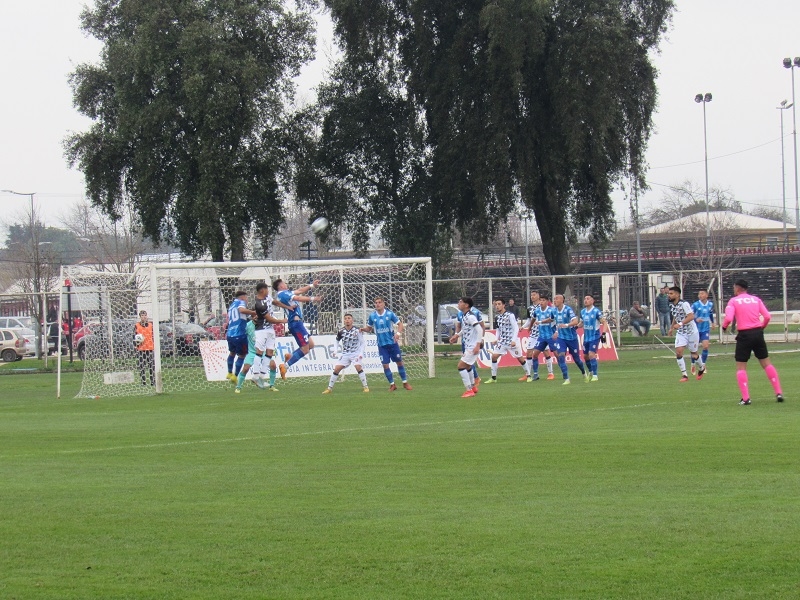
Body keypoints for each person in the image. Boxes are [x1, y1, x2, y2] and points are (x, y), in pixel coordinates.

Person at [721, 279, 783, 405]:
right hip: (757, 333)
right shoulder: (756, 299)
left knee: (741, 367)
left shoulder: (733, 301)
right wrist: (762, 327)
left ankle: (746, 398)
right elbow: (767, 316)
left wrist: (724, 326)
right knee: (766, 363)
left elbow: (728, 317)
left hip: (744, 335)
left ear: (737, 289)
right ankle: (778, 392)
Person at [273, 278, 323, 378]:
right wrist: (313, 299)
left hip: (297, 323)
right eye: (284, 283)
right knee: (305, 349)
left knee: (311, 345)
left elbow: (299, 291)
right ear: (281, 286)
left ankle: (290, 356)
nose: (285, 284)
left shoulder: (285, 293)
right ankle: (285, 366)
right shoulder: (283, 294)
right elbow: (298, 298)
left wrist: (312, 285)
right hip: (295, 324)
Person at [362, 296, 412, 391]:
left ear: (384, 304)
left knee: (399, 362)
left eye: (379, 302)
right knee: (385, 365)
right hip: (382, 345)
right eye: (376, 302)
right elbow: (369, 328)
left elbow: (400, 324)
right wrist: (362, 329)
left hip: (392, 343)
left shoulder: (389, 314)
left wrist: (397, 333)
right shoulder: (372, 316)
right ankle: (392, 384)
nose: (378, 304)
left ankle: (405, 382)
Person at [251, 282, 290, 391]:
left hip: (270, 330)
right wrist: (282, 321)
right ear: (262, 290)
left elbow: (276, 302)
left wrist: (287, 307)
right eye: (267, 289)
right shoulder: (259, 304)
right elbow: (269, 319)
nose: (268, 291)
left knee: (269, 353)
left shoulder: (267, 297)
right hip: (261, 330)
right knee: (259, 351)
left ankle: (262, 377)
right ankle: (255, 376)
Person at [483, 298, 530, 383]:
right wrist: (496, 339)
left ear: (504, 305)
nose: (497, 306)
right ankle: (493, 378)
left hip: (512, 341)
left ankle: (528, 375)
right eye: (496, 304)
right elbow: (498, 330)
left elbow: (516, 328)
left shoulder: (510, 315)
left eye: (499, 304)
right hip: (503, 342)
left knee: (520, 358)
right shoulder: (497, 317)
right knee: (494, 356)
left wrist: (513, 340)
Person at [323, 313, 370, 394]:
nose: (347, 320)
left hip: (355, 353)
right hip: (345, 354)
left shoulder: (357, 330)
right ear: (344, 320)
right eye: (345, 318)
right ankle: (329, 388)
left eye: (349, 318)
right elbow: (337, 341)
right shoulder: (341, 331)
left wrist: (361, 353)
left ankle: (365, 387)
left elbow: (362, 343)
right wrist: (335, 350)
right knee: (337, 369)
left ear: (352, 320)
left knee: (358, 367)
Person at [668, 286, 705, 382]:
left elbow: (691, 316)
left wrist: (680, 324)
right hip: (681, 333)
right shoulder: (672, 305)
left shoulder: (684, 304)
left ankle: (701, 368)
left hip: (692, 332)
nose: (669, 295)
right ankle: (684, 375)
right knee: (679, 352)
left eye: (671, 293)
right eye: (669, 293)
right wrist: (672, 328)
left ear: (677, 294)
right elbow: (675, 317)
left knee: (694, 354)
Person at [552, 294, 588, 384]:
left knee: (577, 359)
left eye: (556, 299)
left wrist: (567, 325)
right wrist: (556, 331)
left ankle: (584, 372)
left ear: (562, 300)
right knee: (561, 355)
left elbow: (575, 321)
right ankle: (566, 378)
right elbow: (554, 321)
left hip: (571, 338)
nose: (554, 300)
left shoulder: (568, 310)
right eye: (554, 299)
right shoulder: (554, 311)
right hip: (561, 338)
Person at [527, 294, 562, 381]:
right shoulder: (537, 311)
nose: (541, 302)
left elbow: (553, 320)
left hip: (551, 336)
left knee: (557, 355)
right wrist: (530, 327)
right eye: (541, 300)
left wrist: (556, 331)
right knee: (535, 355)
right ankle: (535, 374)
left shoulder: (551, 310)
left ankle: (564, 371)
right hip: (541, 336)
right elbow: (533, 319)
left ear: (547, 302)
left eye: (543, 300)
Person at [522, 290, 555, 380]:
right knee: (529, 352)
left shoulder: (547, 307)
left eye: (534, 295)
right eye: (531, 295)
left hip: (544, 333)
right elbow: (529, 320)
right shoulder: (530, 308)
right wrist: (523, 327)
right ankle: (528, 374)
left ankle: (550, 373)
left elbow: (552, 318)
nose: (532, 296)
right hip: (534, 333)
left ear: (538, 296)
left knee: (546, 352)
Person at [455, 297, 484, 398]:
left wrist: (477, 344)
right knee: (467, 367)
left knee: (461, 366)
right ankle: (473, 387)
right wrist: (457, 335)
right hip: (470, 346)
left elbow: (479, 329)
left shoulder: (470, 317)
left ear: (466, 305)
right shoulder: (465, 316)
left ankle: (469, 390)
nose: (458, 303)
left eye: (461, 302)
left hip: (473, 346)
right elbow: (466, 328)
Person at [226, 291, 256, 382]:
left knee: (232, 353)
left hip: (230, 334)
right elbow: (242, 310)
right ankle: (235, 376)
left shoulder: (231, 305)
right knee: (242, 355)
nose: (247, 300)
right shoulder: (241, 302)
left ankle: (229, 372)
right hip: (239, 333)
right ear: (242, 297)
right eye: (246, 298)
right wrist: (252, 312)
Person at [580, 295, 607, 381]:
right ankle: (591, 371)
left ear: (592, 301)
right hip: (586, 337)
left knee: (591, 354)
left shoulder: (596, 311)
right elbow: (581, 323)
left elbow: (604, 323)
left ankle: (595, 375)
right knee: (585, 356)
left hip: (594, 336)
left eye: (588, 299)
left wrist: (603, 335)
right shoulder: (583, 311)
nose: (586, 300)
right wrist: (575, 327)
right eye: (585, 298)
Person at [691, 289, 716, 374]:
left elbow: (710, 313)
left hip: (705, 329)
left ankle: (703, 365)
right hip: (696, 329)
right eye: (699, 294)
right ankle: (693, 364)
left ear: (706, 295)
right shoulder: (695, 305)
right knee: (694, 348)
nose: (700, 295)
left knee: (705, 346)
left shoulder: (710, 304)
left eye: (702, 293)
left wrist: (712, 322)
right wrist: (696, 319)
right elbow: (690, 316)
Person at [234, 316, 259, 394]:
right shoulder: (247, 326)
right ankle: (238, 387)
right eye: (254, 315)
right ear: (251, 316)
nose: (256, 317)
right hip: (251, 352)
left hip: (263, 352)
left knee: (272, 365)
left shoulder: (263, 325)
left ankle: (272, 386)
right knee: (246, 368)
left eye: (257, 314)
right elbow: (240, 335)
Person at [134, 310, 155, 386]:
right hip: (141, 349)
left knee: (151, 366)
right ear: (140, 317)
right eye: (142, 315)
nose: (144, 317)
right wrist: (136, 343)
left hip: (150, 348)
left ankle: (153, 382)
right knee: (142, 366)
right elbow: (134, 336)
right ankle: (143, 382)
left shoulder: (151, 325)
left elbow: (154, 335)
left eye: (145, 315)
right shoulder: (137, 325)